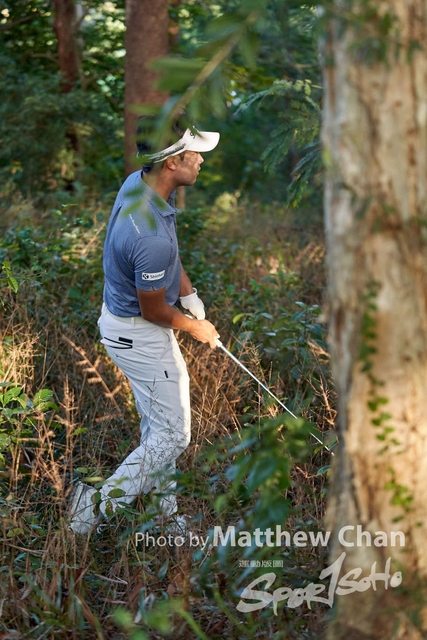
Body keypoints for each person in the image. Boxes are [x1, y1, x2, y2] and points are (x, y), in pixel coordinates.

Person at [69, 117, 220, 534]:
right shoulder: (147, 234)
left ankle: (164, 518)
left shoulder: (140, 185)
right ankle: (91, 510)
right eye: (195, 153)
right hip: (140, 334)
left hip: (125, 325)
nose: (200, 160)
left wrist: (187, 294)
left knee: (160, 426)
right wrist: (195, 327)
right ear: (172, 162)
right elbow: (153, 310)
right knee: (173, 437)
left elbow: (168, 258)